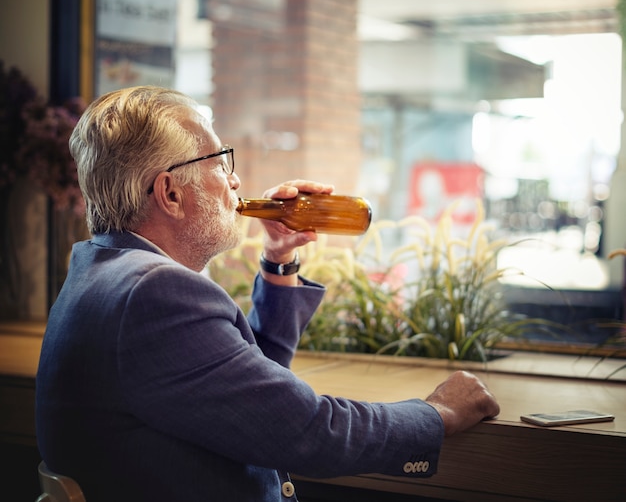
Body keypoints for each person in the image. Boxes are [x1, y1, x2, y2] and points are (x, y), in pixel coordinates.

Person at [36, 86, 499, 502]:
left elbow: (252, 398)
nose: (235, 181)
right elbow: (311, 432)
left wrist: (279, 259)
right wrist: (438, 413)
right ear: (170, 194)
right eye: (220, 163)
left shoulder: (100, 271)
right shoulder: (154, 293)